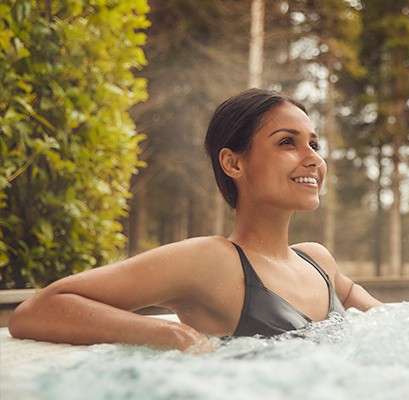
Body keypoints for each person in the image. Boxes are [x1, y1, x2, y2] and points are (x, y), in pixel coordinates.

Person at [9, 89, 383, 353]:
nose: (313, 158)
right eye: (287, 142)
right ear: (233, 163)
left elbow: (391, 329)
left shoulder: (318, 261)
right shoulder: (212, 261)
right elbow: (38, 310)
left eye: (314, 145)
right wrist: (172, 335)